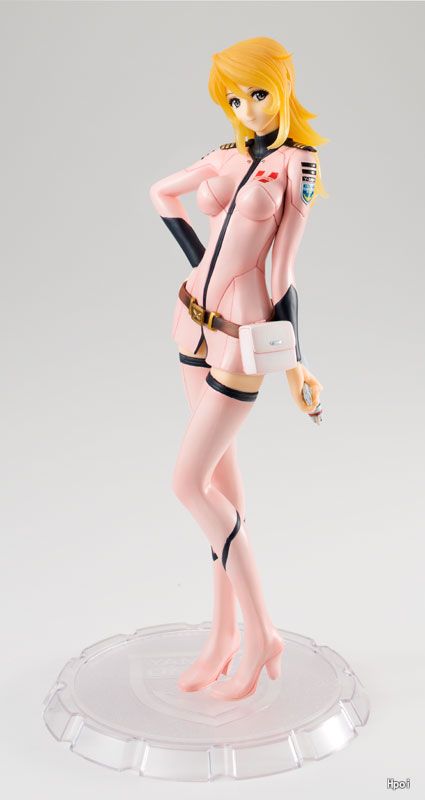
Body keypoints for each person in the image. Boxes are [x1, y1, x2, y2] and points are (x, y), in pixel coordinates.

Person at [149, 36, 326, 700]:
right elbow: (160, 193)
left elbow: (282, 272)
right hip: (190, 318)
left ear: (281, 87)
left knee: (188, 483)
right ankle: (224, 634)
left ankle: (262, 633)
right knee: (223, 486)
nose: (247, 109)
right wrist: (197, 259)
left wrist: (297, 366)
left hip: (241, 334)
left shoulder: (299, 166)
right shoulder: (223, 155)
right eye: (233, 99)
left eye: (257, 94)